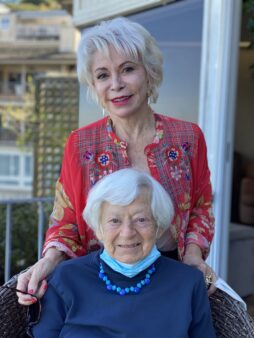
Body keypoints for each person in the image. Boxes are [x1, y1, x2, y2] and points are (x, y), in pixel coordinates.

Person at [17, 17, 216, 305]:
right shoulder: (80, 144)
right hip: (99, 279)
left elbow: (201, 206)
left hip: (172, 275)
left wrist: (195, 256)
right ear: (94, 86)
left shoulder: (188, 137)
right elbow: (68, 217)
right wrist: (48, 261)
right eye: (102, 75)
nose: (116, 85)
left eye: (128, 69)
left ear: (149, 73)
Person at [31, 169, 216, 338]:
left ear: (158, 226)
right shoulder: (66, 279)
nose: (127, 232)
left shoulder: (188, 283)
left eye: (141, 219)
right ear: (98, 228)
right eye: (114, 220)